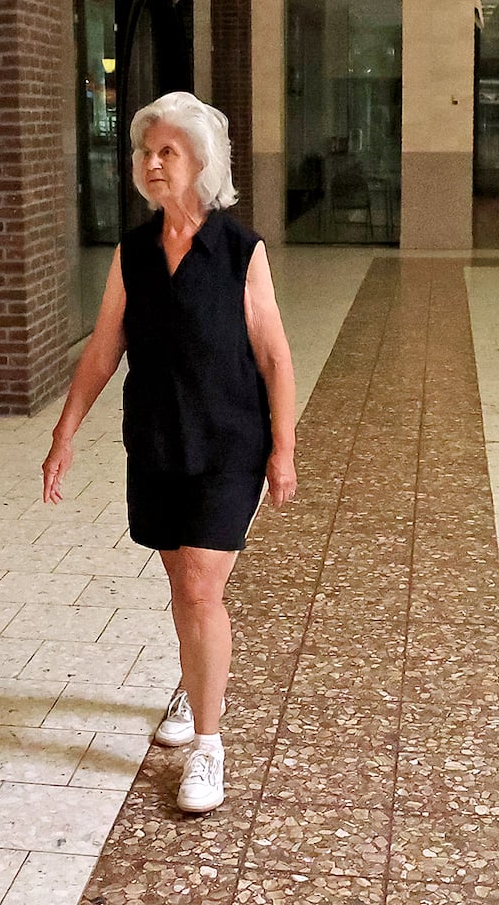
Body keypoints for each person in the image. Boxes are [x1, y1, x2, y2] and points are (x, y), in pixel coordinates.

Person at [42, 91, 297, 813]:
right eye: (143, 153)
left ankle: (208, 747)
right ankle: (195, 681)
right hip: (155, 439)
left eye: (167, 153)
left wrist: (284, 448)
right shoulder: (133, 252)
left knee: (198, 587)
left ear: (200, 163)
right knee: (182, 582)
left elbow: (275, 356)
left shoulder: (241, 251)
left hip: (229, 442)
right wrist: (64, 433)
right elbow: (102, 350)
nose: (151, 164)